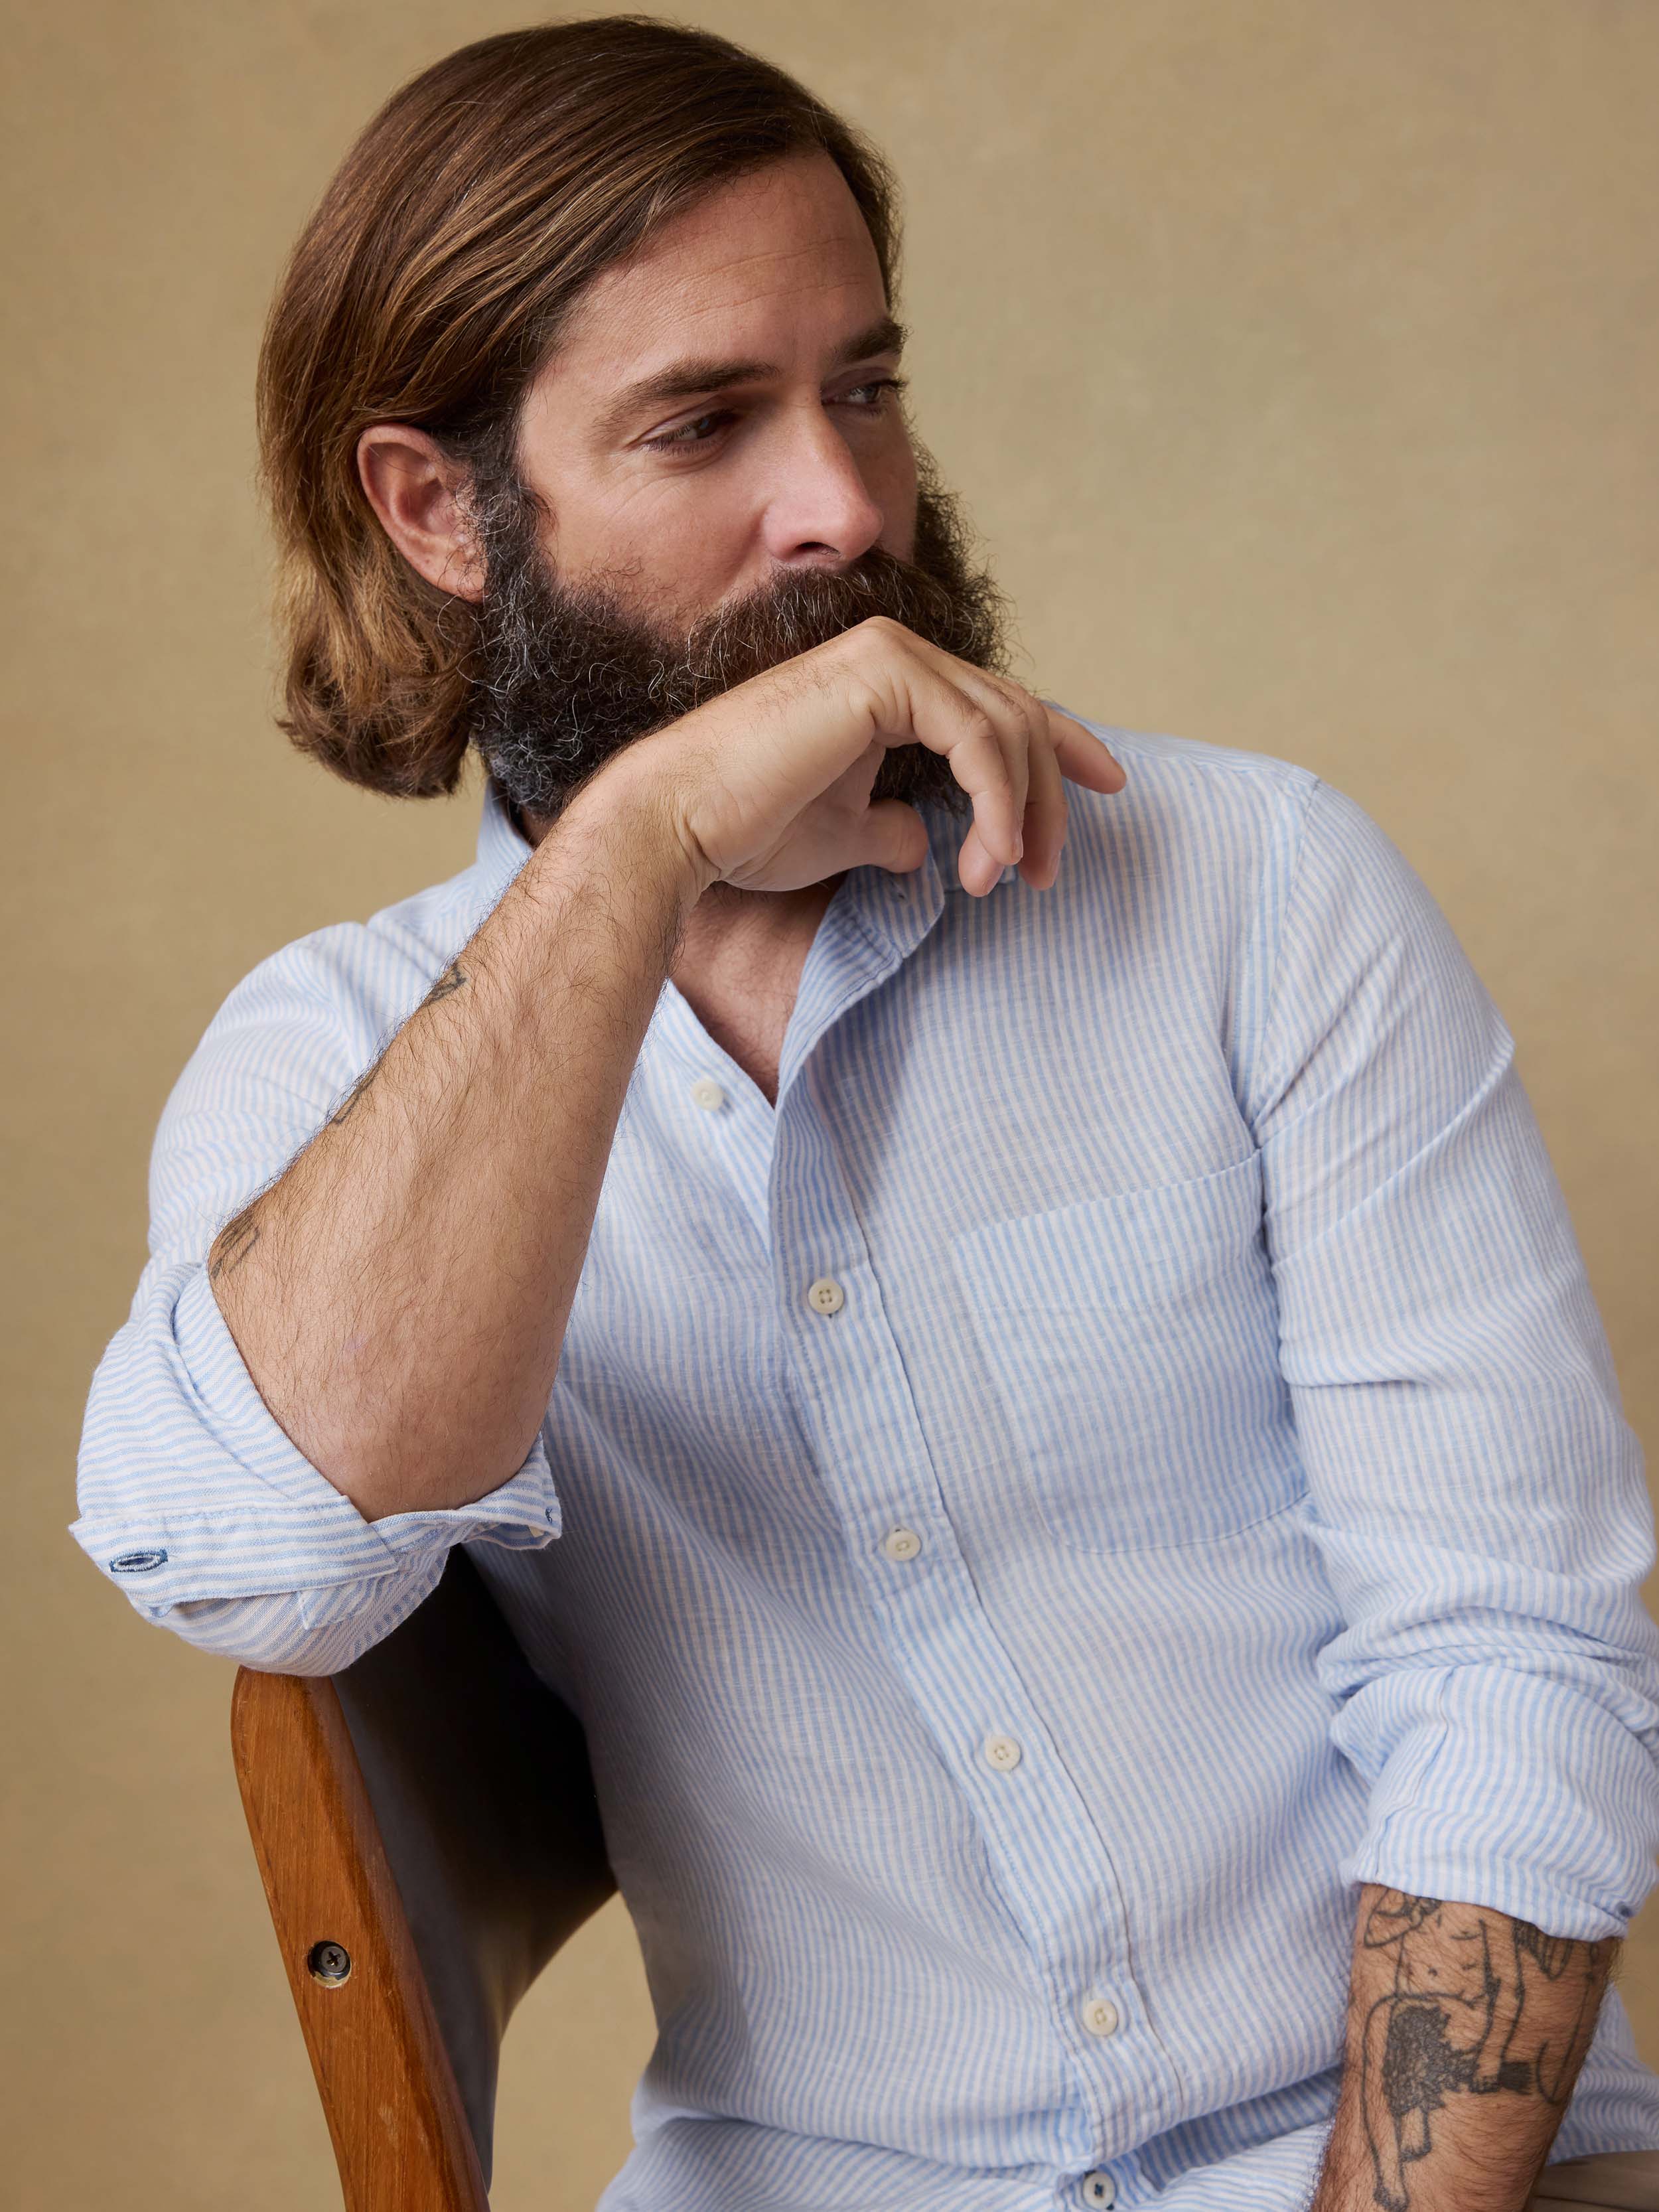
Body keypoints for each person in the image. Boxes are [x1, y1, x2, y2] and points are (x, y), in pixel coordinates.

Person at [72, 19, 1659, 2212]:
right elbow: (257, 1570)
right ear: (438, 509)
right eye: (704, 421)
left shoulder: (1255, 891)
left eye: (867, 388)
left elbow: (1508, 1652)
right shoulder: (337, 1062)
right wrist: (623, 858)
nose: (843, 503)